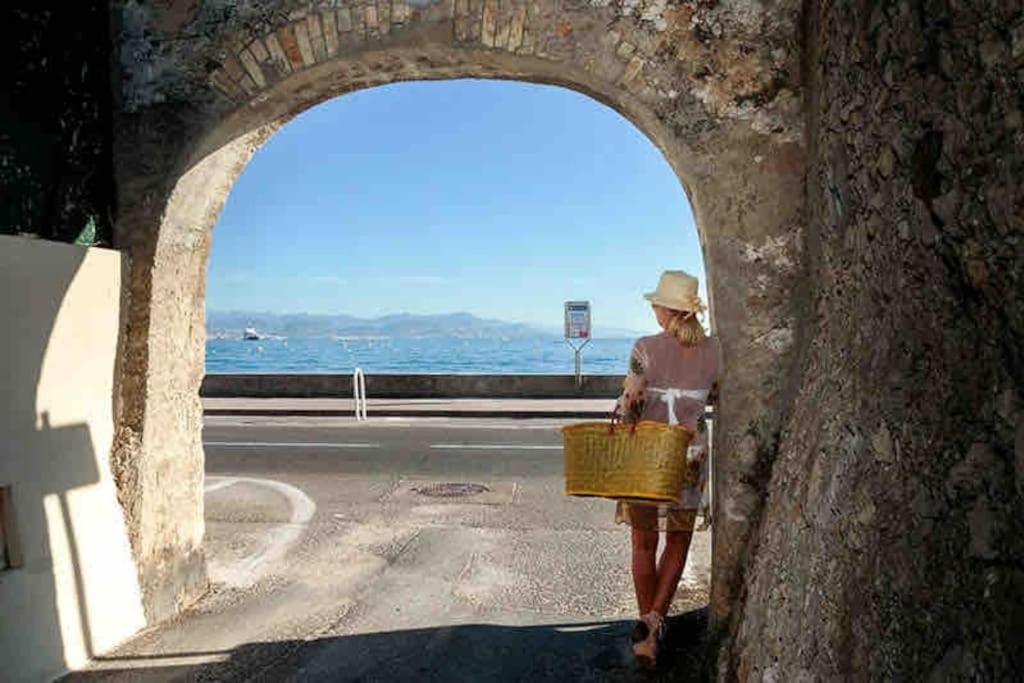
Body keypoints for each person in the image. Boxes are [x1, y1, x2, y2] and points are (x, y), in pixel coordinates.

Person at [616, 270, 720, 667]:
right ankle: (656, 622)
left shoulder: (645, 347)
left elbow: (631, 403)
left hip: (646, 457)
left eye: (657, 303)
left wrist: (631, 413)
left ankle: (646, 632)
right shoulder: (715, 351)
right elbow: (718, 393)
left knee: (644, 543)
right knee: (677, 542)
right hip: (690, 459)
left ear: (669, 310)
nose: (654, 308)